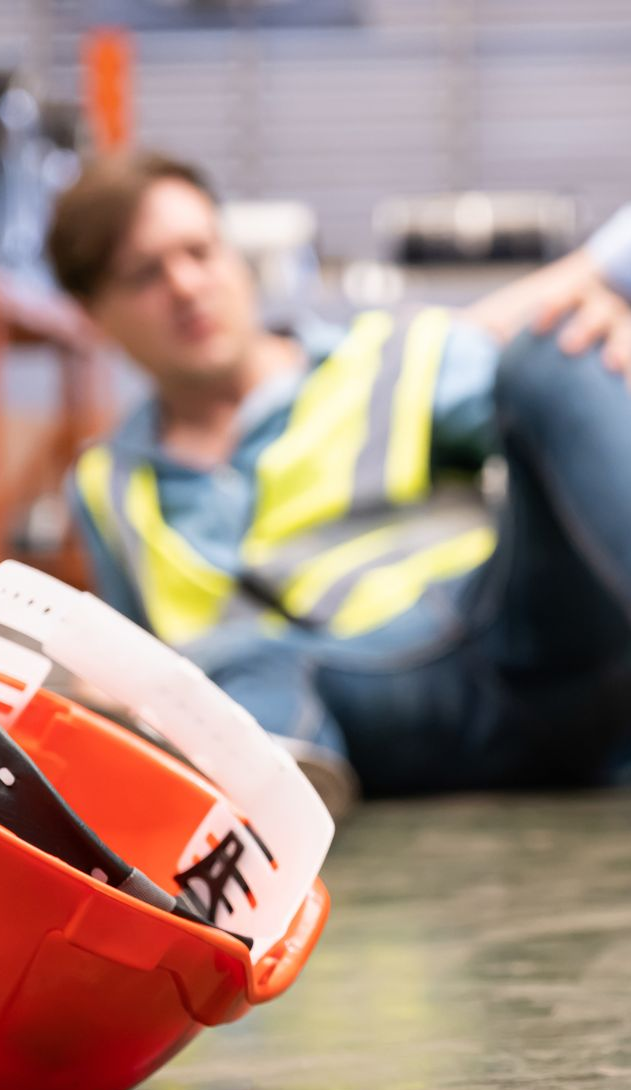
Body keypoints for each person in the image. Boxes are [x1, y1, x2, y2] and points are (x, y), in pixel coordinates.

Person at [47, 152, 631, 809]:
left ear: (235, 258)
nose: (185, 286)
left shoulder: (390, 358)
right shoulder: (107, 487)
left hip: (521, 641)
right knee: (235, 667)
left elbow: (560, 389)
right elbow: (137, 669)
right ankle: (273, 824)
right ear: (91, 315)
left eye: (200, 251)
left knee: (562, 347)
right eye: (144, 274)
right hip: (346, 719)